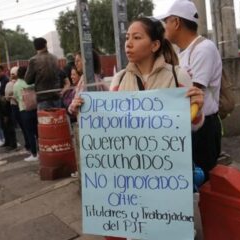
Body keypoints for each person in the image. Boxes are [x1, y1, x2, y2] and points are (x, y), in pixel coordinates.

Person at [69, 17, 204, 130]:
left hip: (168, 160)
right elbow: (110, 125)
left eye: (137, 37)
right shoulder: (119, 79)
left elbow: (193, 127)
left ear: (155, 45)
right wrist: (83, 113)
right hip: (130, 159)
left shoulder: (178, 76)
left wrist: (197, 110)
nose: (128, 44)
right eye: (127, 38)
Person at [158, 0, 222, 181]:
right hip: (185, 126)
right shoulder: (181, 53)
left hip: (203, 129)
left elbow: (191, 93)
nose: (165, 27)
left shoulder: (203, 49)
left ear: (176, 22)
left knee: (203, 182)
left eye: (167, 22)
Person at [25, 37, 64, 110]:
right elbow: (59, 75)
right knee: (57, 120)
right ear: (46, 45)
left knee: (45, 120)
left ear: (35, 47)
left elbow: (28, 80)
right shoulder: (55, 58)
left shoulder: (33, 60)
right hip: (56, 95)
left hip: (43, 97)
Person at [13, 66, 39, 162]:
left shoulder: (16, 85)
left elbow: (16, 98)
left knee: (29, 133)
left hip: (24, 110)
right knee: (38, 131)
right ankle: (41, 151)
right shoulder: (32, 82)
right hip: (35, 108)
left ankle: (34, 154)